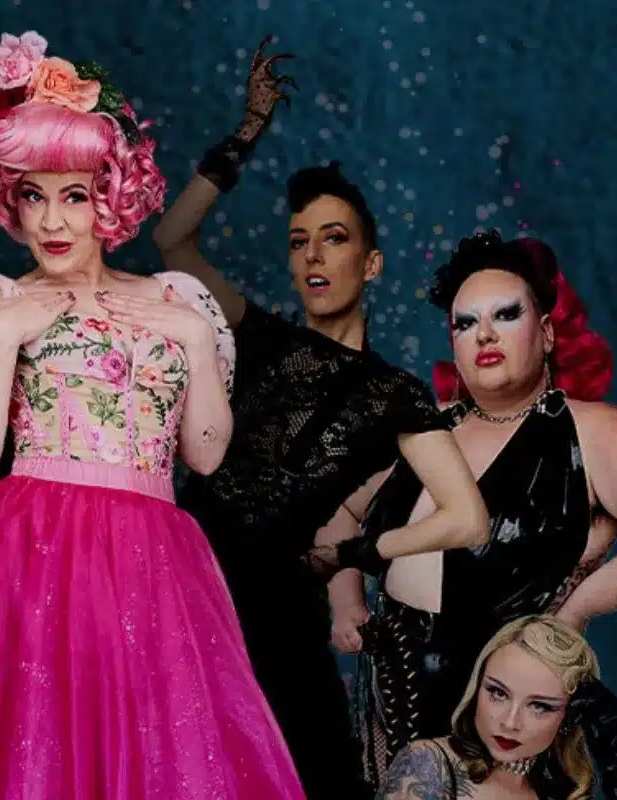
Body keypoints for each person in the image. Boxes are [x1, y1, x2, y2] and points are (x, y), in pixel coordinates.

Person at [0, 31, 305, 798]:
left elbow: (205, 455)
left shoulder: (177, 302)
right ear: (9, 197)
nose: (51, 222)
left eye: (75, 196)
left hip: (152, 566)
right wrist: (2, 338)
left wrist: (196, 341)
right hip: (28, 561)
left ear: (112, 196)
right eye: (33, 195)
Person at [154, 38, 489, 799]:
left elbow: (466, 518)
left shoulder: (394, 391)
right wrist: (246, 133)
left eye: (334, 240)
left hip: (278, 609)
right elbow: (171, 240)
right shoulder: (258, 335)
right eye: (300, 242)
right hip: (182, 576)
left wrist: (351, 553)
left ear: (371, 264)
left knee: (313, 777)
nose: (313, 256)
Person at [341, 232, 617, 786]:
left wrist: (576, 611)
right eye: (465, 323)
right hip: (385, 722)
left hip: (508, 731)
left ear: (548, 332)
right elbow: (337, 506)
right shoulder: (426, 427)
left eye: (506, 315)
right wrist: (346, 603)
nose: (484, 334)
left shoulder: (591, 431)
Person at [377, 615, 617, 799]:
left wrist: (614, 770)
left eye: (539, 706)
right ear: (477, 686)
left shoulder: (563, 790)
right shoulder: (428, 763)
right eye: (498, 693)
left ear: (569, 716)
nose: (510, 722)